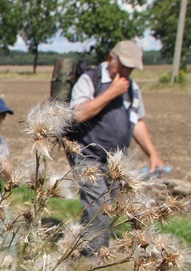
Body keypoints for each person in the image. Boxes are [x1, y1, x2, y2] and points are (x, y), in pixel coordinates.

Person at [67, 40, 164, 256]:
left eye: (130, 68)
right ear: (111, 59)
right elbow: (78, 115)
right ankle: (93, 258)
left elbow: (137, 121)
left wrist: (153, 155)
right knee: (99, 206)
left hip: (115, 161)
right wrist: (112, 92)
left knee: (108, 208)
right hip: (86, 155)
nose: (126, 72)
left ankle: (91, 247)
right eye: (123, 66)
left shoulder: (132, 89)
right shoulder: (90, 80)